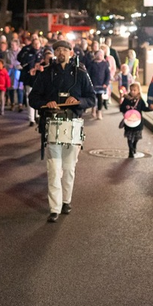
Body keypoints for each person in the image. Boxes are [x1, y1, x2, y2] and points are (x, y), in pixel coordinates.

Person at [28, 40, 96, 223]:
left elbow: (92, 98)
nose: (61, 53)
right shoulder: (47, 74)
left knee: (68, 168)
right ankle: (54, 208)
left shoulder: (81, 73)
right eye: (58, 50)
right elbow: (32, 97)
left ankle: (66, 201)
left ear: (71, 53)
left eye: (65, 50)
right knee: (53, 169)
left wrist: (79, 101)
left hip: (73, 124)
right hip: (51, 124)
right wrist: (45, 103)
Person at [119, 82, 153, 158]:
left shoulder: (140, 100)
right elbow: (121, 108)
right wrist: (124, 108)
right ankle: (131, 150)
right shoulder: (126, 99)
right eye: (131, 90)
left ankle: (134, 145)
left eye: (134, 90)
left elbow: (144, 108)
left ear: (138, 91)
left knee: (137, 136)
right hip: (129, 121)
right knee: (129, 136)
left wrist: (151, 108)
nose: (132, 92)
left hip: (138, 122)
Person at [87, 49, 111, 120]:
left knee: (100, 98)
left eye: (102, 55)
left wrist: (106, 83)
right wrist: (89, 83)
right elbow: (88, 74)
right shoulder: (92, 63)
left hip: (101, 84)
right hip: (93, 84)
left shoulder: (105, 64)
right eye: (99, 54)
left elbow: (108, 74)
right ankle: (93, 110)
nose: (100, 56)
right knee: (93, 98)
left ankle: (99, 112)